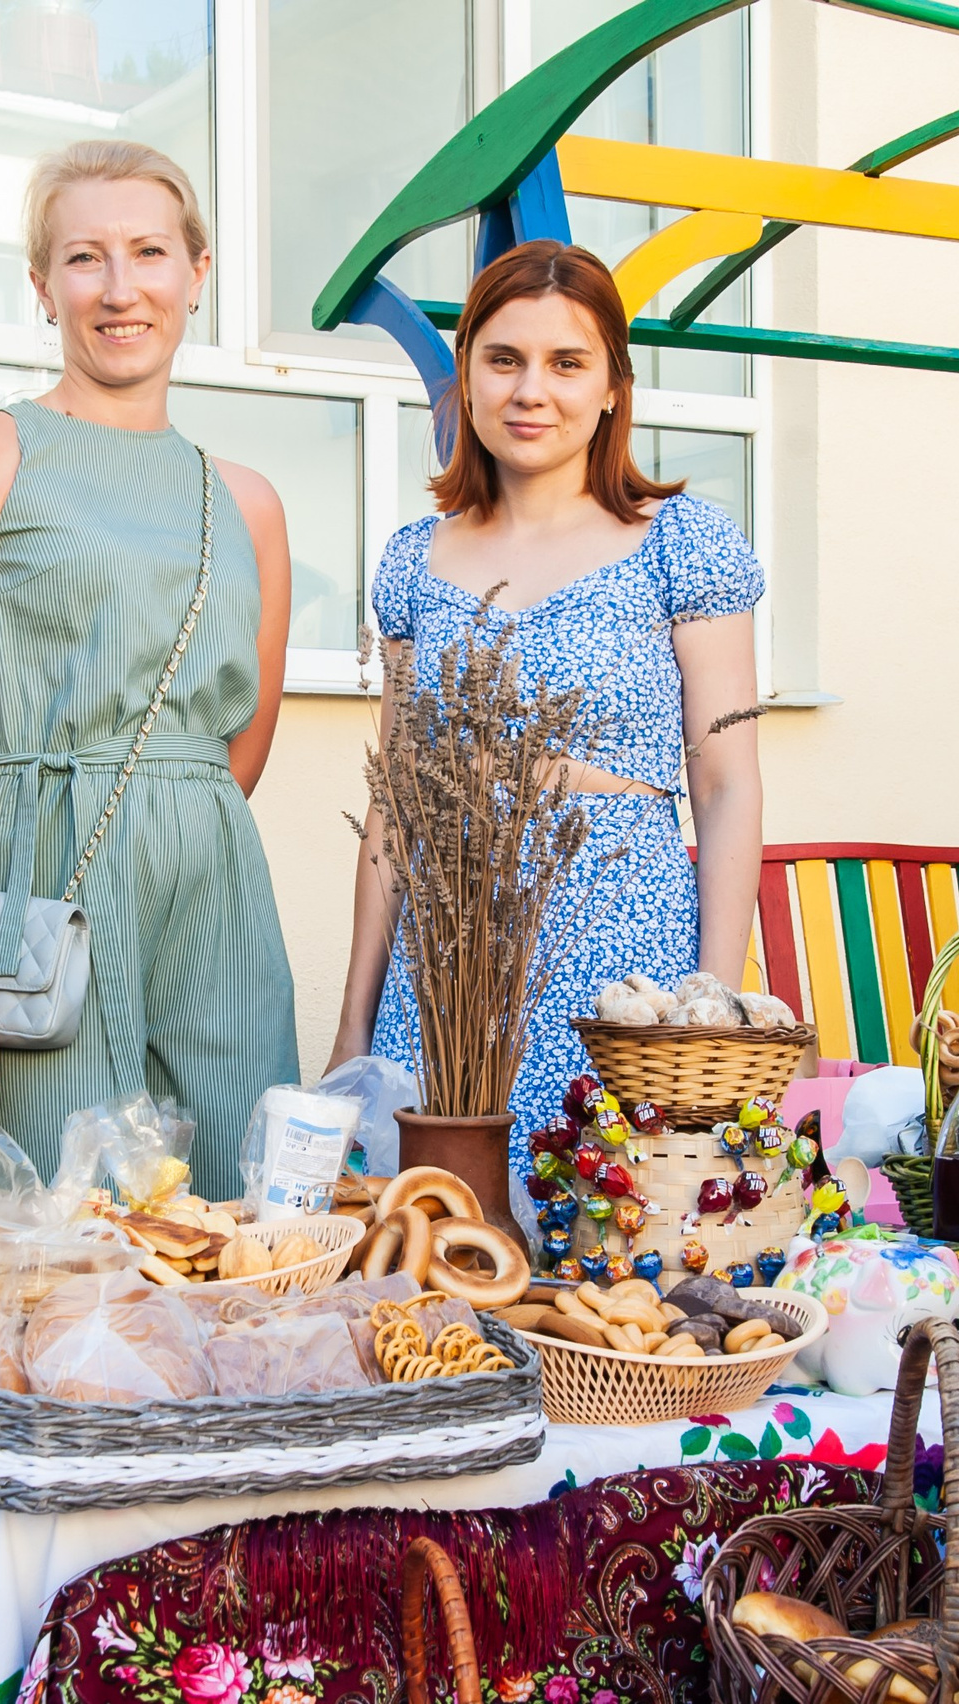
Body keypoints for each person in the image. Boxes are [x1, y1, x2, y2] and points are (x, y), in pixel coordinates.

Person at [0, 139, 299, 1201]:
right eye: (84, 259)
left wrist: (163, 824)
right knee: (33, 1230)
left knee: (232, 1217)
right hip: (33, 877)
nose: (120, 290)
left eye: (149, 252)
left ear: (196, 272)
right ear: (41, 285)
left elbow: (237, 746)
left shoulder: (243, 501)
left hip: (211, 892)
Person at [327, 240, 764, 1209]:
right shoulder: (413, 562)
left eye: (566, 363)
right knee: (439, 1247)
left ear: (613, 387)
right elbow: (394, 812)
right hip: (445, 981)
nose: (532, 390)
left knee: (609, 1250)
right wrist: (354, 1025)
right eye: (502, 358)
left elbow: (727, 786)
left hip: (621, 959)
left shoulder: (680, 546)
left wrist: (706, 1012)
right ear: (468, 379)